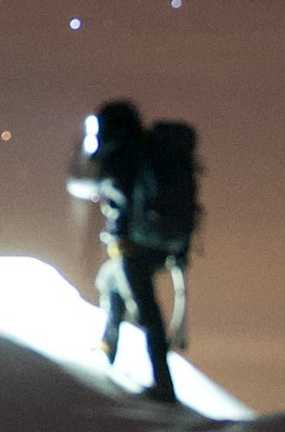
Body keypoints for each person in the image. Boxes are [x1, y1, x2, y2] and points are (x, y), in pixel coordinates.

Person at [66, 97, 198, 402]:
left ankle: (163, 386)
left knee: (148, 313)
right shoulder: (146, 153)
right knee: (109, 282)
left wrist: (84, 152)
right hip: (155, 247)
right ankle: (108, 346)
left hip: (131, 246)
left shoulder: (121, 157)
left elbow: (83, 184)